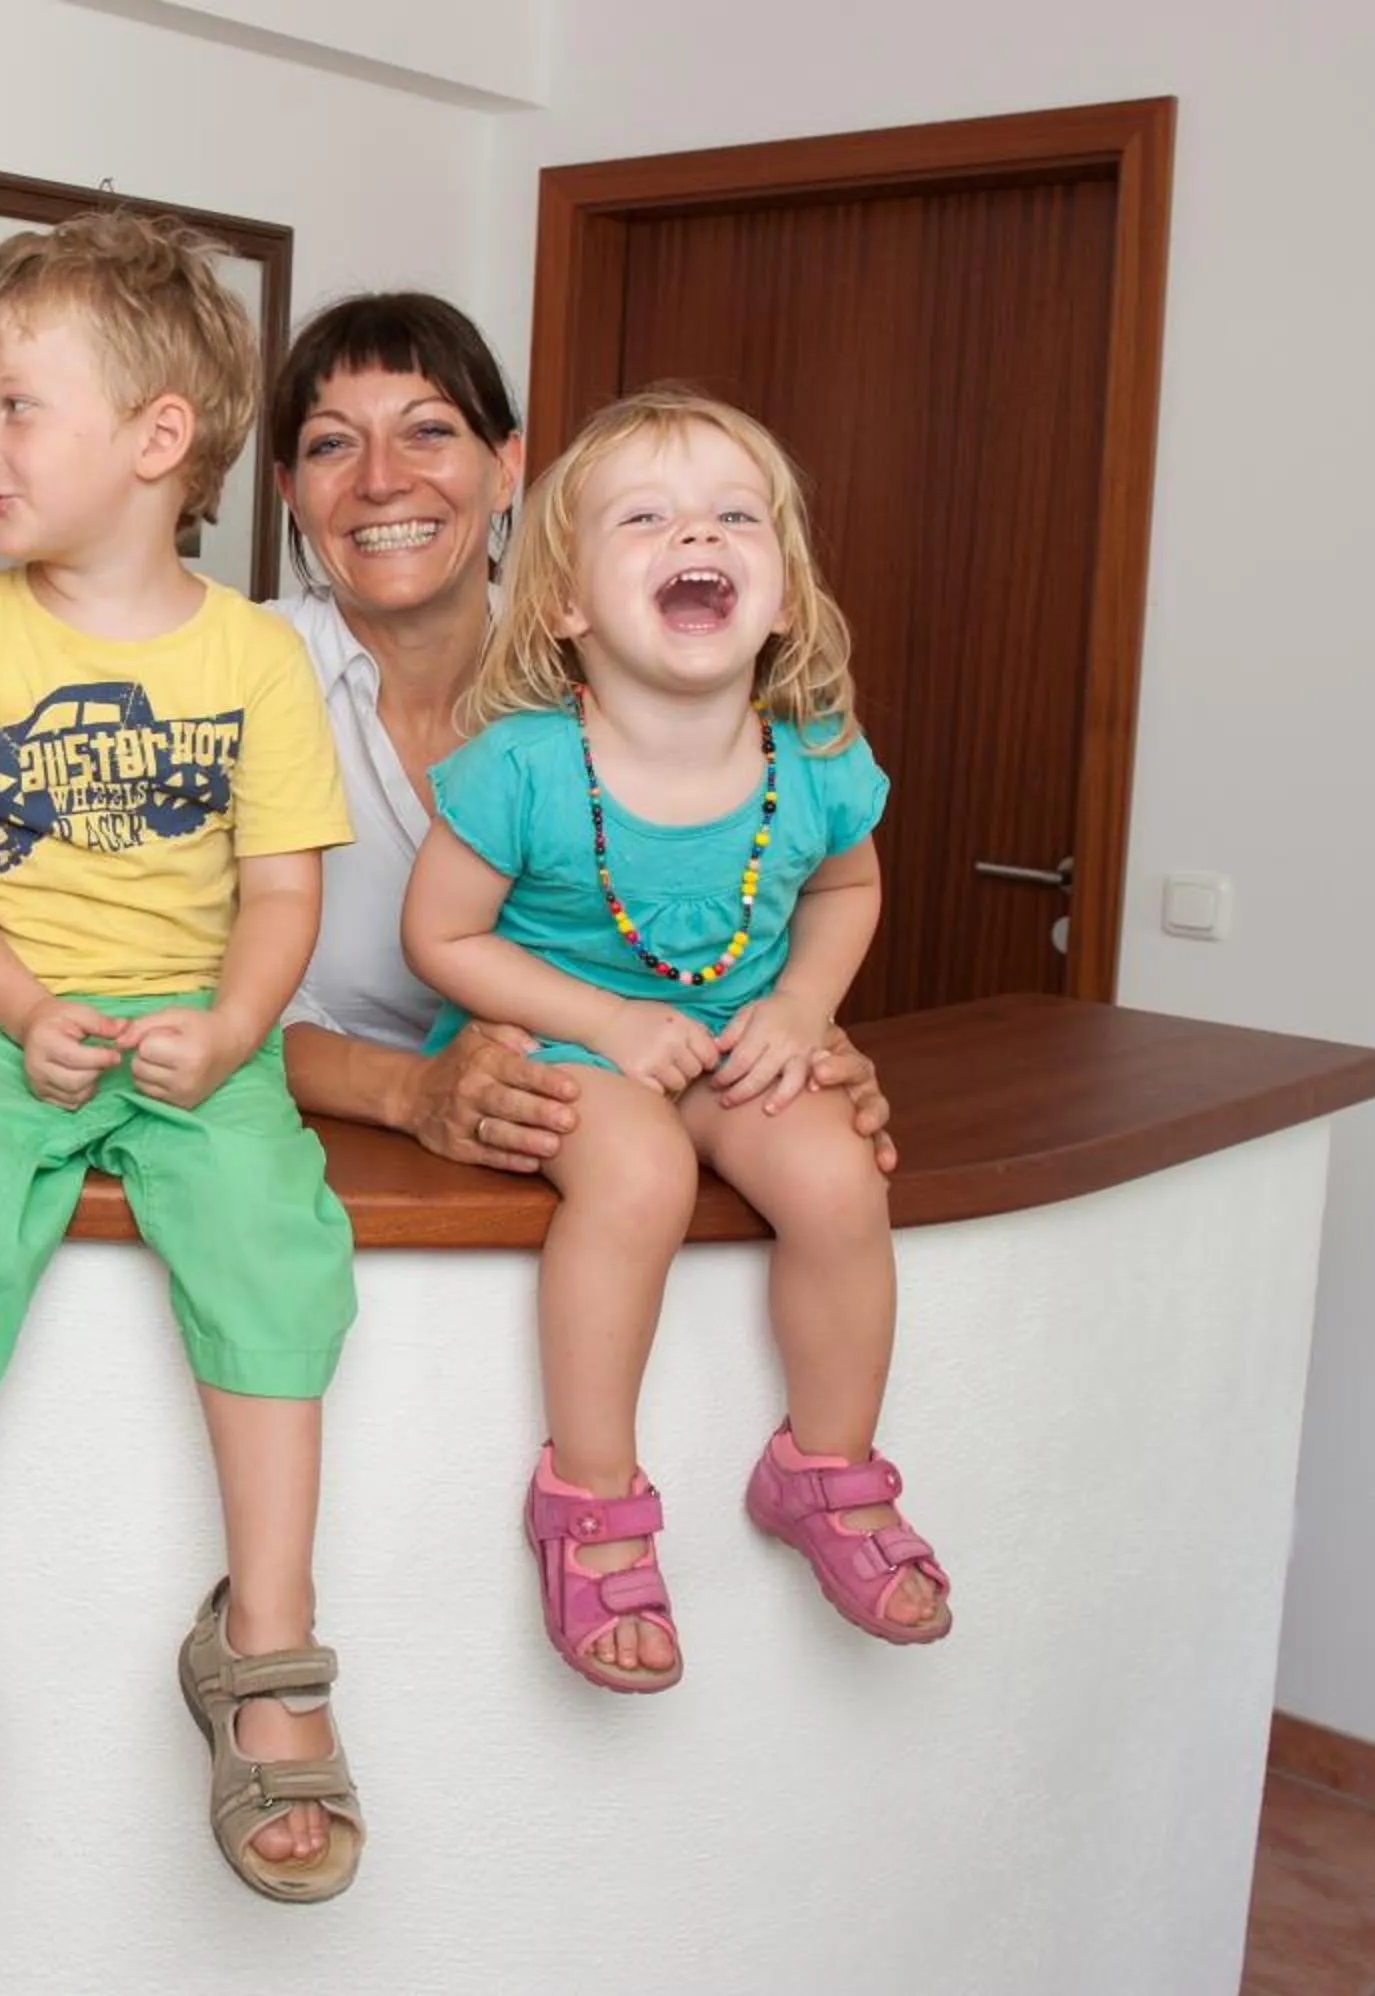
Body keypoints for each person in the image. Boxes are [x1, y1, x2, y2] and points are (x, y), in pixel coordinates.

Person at [0, 211, 368, 1903]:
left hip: (197, 1032)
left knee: (269, 1235)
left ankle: (265, 1643)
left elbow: (279, 890)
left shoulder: (256, 656)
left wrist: (235, 1030)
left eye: (14, 409)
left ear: (158, 440)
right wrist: (24, 1016)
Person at [399, 387, 952, 1694]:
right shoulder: (524, 762)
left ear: (782, 598)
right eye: (645, 516)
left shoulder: (812, 752)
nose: (694, 530)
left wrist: (805, 1010)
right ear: (566, 607)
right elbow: (444, 940)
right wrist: (604, 1020)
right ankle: (589, 1498)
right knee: (637, 1176)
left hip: (736, 1038)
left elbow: (847, 891)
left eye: (732, 515)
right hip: (562, 1039)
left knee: (834, 1177)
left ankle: (825, 1470)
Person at [263, 295, 896, 1206]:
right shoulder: (223, 678)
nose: (380, 480)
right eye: (331, 444)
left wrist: (795, 1035)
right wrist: (409, 1090)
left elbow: (780, 894)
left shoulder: (654, 665)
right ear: (288, 488)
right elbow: (153, 989)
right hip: (337, 1168)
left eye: (429, 431)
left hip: (603, 1123)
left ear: (507, 464)